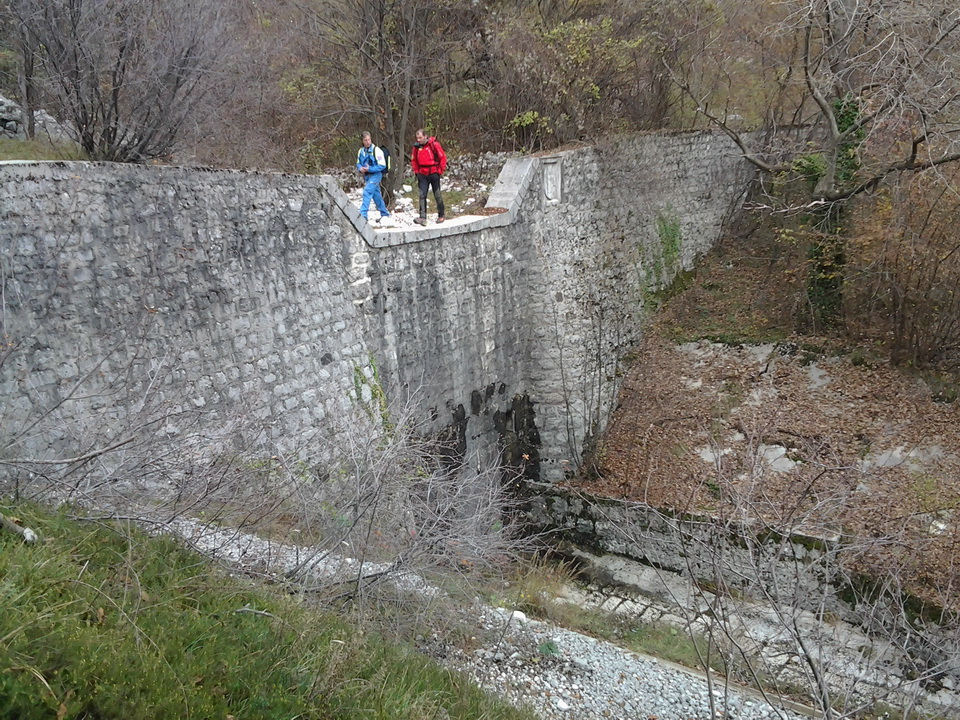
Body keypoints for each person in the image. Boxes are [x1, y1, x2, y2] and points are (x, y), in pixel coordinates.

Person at [411, 129, 447, 225]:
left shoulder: (434, 145)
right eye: (417, 138)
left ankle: (441, 215)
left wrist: (440, 171)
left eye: (420, 138)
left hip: (434, 173)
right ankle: (422, 217)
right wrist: (417, 172)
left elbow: (442, 157)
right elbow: (414, 160)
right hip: (422, 174)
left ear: (425, 136)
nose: (418, 140)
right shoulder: (416, 147)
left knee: (437, 194)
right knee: (422, 195)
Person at [356, 131, 391, 222]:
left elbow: (382, 165)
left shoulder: (377, 150)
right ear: (362, 141)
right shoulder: (361, 151)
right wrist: (360, 168)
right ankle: (385, 213)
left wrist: (370, 169)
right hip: (367, 176)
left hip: (376, 175)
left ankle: (363, 215)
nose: (368, 142)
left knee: (367, 192)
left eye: (369, 140)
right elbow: (358, 163)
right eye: (365, 140)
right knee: (376, 195)